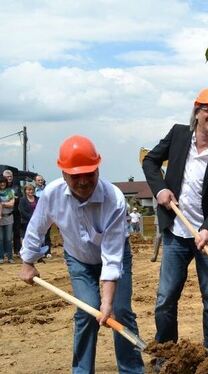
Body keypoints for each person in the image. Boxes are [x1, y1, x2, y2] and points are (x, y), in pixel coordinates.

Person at [18, 135, 144, 373]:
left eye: (90, 173)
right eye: (76, 176)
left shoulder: (113, 198)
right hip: (78, 260)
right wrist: (27, 262)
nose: (84, 181)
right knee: (87, 310)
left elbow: (112, 257)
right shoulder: (52, 195)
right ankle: (82, 370)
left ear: (98, 168)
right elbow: (36, 228)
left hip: (115, 257)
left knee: (120, 311)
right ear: (64, 174)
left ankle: (131, 370)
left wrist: (108, 303)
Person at [142, 86, 208, 360]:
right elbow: (150, 161)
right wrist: (160, 189)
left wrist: (207, 228)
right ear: (197, 111)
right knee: (165, 299)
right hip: (175, 233)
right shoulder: (178, 135)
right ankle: (166, 354)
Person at [33, 175, 53, 256]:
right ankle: (39, 251)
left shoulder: (47, 189)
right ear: (35, 181)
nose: (40, 181)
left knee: (47, 234)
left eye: (41, 180)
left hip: (47, 214)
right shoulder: (33, 191)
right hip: (36, 214)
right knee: (38, 234)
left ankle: (48, 252)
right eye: (38, 180)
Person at [3, 169, 21, 255]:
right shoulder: (2, 187)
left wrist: (13, 199)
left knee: (16, 231)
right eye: (7, 177)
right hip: (4, 213)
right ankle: (5, 251)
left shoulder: (16, 185)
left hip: (16, 211)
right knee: (5, 234)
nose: (9, 178)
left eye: (10, 176)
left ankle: (17, 250)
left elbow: (19, 197)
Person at [0, 176, 15, 264]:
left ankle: (10, 257)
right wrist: (6, 203)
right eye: (1, 182)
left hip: (9, 217)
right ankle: (1, 257)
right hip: (0, 218)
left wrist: (2, 203)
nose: (2, 184)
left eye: (4, 182)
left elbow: (12, 204)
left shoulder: (10, 191)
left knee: (9, 238)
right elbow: (8, 203)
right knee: (0, 239)